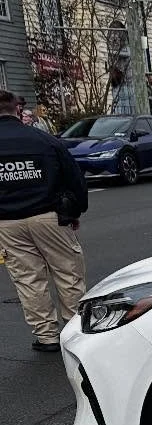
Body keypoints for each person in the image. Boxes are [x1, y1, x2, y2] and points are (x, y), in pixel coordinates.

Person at [0, 89, 87, 354]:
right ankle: (74, 332)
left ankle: (46, 335)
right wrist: (74, 211)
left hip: (8, 221)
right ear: (17, 110)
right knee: (67, 272)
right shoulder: (44, 140)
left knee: (28, 279)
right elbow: (73, 178)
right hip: (49, 216)